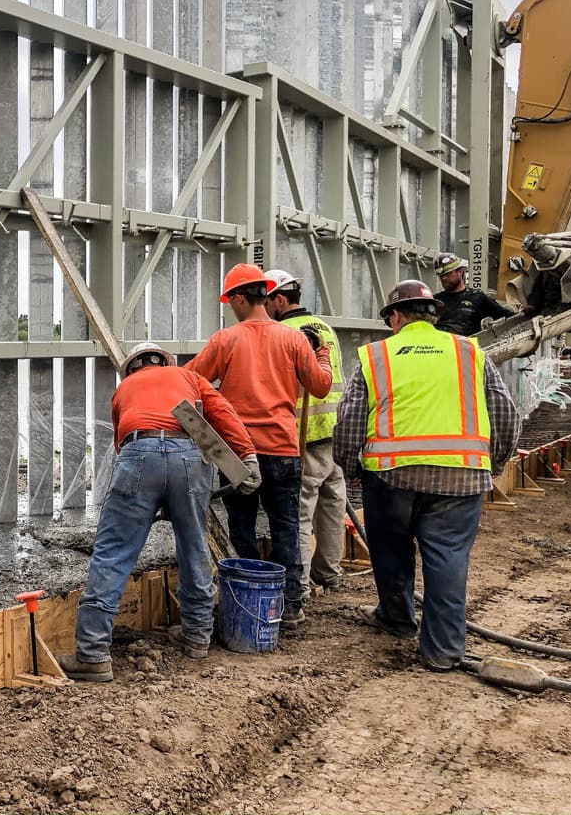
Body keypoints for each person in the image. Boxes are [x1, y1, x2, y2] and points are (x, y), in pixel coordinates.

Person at [334, 279, 520, 672]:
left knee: (390, 551)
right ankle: (443, 651)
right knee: (449, 559)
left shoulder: (375, 356)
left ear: (395, 317)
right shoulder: (471, 352)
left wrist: (350, 468)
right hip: (462, 477)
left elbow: (349, 421)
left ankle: (398, 618)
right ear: (434, 314)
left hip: (390, 478)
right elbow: (505, 414)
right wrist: (495, 463)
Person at [57, 343, 260, 681]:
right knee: (194, 545)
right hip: (189, 455)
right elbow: (222, 413)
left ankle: (92, 653)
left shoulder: (124, 389)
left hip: (139, 454)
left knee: (113, 553)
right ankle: (197, 636)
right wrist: (248, 457)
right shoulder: (188, 376)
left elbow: (123, 444)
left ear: (132, 368)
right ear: (166, 361)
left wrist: (146, 498)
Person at [186, 264, 332, 629]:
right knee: (286, 527)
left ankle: (248, 599)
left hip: (238, 452)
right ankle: (291, 605)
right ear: (264, 295)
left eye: (229, 300)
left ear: (238, 298)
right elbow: (321, 386)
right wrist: (324, 354)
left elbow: (189, 381)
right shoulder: (293, 339)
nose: (229, 307)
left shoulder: (227, 339)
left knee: (242, 526)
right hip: (283, 449)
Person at [263, 269, 348, 595]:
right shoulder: (325, 328)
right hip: (334, 431)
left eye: (267, 302)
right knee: (333, 504)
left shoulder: (281, 332)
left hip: (303, 433)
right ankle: (329, 573)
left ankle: (298, 584)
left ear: (279, 300)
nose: (265, 308)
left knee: (299, 513)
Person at [432, 252, 516, 337]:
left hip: (466, 347)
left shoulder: (477, 297)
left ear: (460, 271)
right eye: (441, 276)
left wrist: (525, 313)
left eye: (447, 274)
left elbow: (506, 315)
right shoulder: (435, 301)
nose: (443, 278)